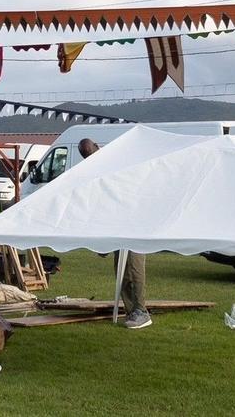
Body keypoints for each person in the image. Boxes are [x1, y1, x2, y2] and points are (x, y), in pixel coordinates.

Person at [79, 137, 151, 329]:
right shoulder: (94, 171)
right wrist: (102, 241)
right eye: (86, 156)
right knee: (121, 270)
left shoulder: (115, 162)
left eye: (90, 153)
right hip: (117, 226)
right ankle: (131, 311)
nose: (89, 158)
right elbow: (102, 206)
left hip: (134, 224)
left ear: (97, 147)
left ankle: (141, 310)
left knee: (134, 268)